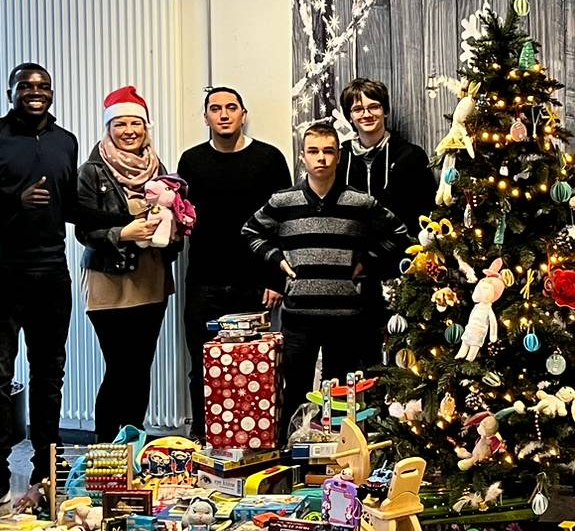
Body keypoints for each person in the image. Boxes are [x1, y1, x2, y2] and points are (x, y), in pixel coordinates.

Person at [0, 62, 80, 512]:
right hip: (3, 275)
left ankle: (47, 474)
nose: (35, 92)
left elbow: (72, 208)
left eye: (43, 86)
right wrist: (17, 200)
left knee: (50, 376)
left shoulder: (65, 141)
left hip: (53, 273)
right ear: (9, 91)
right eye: (25, 86)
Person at [243, 122, 406, 418]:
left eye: (329, 151)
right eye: (314, 151)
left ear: (338, 157)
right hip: (298, 315)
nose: (321, 158)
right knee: (295, 391)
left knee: (342, 394)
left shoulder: (359, 202)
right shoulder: (283, 201)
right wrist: (277, 259)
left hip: (345, 317)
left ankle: (339, 455)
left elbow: (398, 233)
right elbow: (250, 231)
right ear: (303, 157)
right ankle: (295, 453)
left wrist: (366, 262)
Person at [176, 86, 290, 435]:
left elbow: (283, 223)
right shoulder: (190, 161)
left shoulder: (269, 159)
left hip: (253, 285)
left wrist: (276, 279)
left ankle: (255, 436)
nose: (223, 114)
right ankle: (202, 437)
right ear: (206, 116)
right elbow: (181, 216)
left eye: (230, 107)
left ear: (243, 114)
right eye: (215, 108)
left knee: (253, 366)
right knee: (204, 365)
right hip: (203, 283)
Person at [75, 86, 180, 441]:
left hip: (152, 278)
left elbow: (173, 213)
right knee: (119, 368)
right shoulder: (91, 171)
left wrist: (174, 229)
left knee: (140, 368)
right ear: (109, 128)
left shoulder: (158, 168)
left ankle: (133, 444)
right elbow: (83, 229)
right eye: (121, 124)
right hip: (110, 281)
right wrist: (124, 232)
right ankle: (106, 448)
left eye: (136, 123)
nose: (129, 131)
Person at [339, 77, 435, 227]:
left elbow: (427, 211)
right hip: (353, 248)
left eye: (374, 107)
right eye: (358, 109)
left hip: (402, 248)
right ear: (349, 117)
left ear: (385, 111)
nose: (367, 114)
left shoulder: (411, 156)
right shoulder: (340, 159)